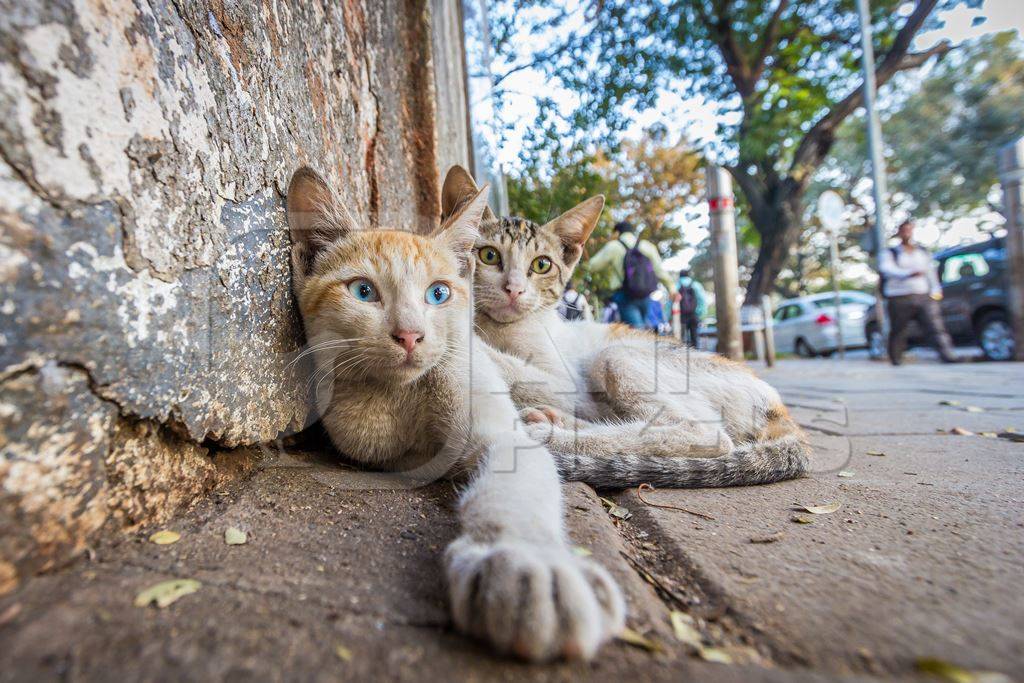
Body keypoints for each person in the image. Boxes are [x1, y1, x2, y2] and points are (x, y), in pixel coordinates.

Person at [879, 219, 959, 365]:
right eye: (904, 230)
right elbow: (886, 268)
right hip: (898, 296)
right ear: (899, 232)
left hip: (922, 294)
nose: (907, 233)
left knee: (935, 327)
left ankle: (947, 355)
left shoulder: (922, 252)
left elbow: (930, 272)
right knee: (899, 330)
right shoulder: (891, 252)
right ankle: (896, 359)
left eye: (910, 230)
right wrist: (908, 273)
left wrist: (935, 290)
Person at [586, 221, 675, 329]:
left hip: (624, 295)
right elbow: (660, 271)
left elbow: (592, 266)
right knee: (644, 328)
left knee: (637, 333)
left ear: (617, 233)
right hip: (646, 294)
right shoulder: (647, 246)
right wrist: (672, 289)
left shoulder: (614, 246)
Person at [676, 268, 707, 347]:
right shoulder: (696, 285)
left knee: (681, 338)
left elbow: (670, 303)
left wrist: (669, 317)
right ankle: (695, 354)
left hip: (681, 315)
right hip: (694, 314)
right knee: (694, 336)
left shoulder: (676, 285)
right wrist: (701, 314)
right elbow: (702, 300)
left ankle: (682, 355)